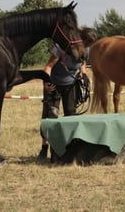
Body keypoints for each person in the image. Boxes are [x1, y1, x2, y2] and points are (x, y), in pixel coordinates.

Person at [38, 27, 97, 159]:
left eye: (88, 45)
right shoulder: (61, 48)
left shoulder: (85, 49)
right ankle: (44, 147)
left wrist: (83, 71)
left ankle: (69, 148)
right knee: (50, 117)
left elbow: (83, 62)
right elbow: (48, 67)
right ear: (80, 39)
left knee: (71, 116)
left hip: (71, 85)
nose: (86, 47)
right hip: (53, 84)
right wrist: (46, 83)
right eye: (86, 43)